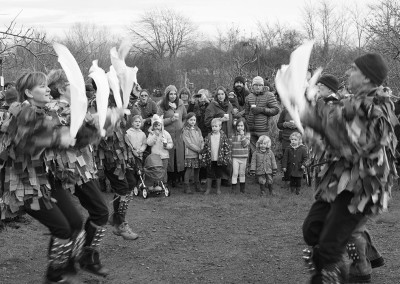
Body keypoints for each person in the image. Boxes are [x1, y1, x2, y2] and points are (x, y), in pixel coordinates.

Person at [301, 53, 398, 283]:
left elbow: (357, 146)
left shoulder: (379, 109)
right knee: (312, 229)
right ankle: (336, 268)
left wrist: (321, 131)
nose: (347, 73)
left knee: (329, 248)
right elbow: (329, 120)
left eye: (353, 69)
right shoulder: (350, 102)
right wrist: (306, 111)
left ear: (366, 78)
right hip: (339, 180)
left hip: (361, 188)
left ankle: (338, 273)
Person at [3, 72, 83, 283]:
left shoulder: (44, 112)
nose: (48, 89)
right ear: (29, 92)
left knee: (75, 222)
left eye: (48, 85)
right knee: (62, 228)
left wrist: (99, 125)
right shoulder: (21, 113)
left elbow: (68, 134)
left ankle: (64, 267)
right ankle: (54, 275)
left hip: (46, 180)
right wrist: (57, 138)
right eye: (42, 86)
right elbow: (26, 145)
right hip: (26, 185)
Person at [158, 85, 187, 188]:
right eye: (171, 94)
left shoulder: (181, 105)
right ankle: (169, 179)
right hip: (168, 135)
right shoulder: (162, 106)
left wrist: (182, 125)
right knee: (169, 157)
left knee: (178, 157)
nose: (173, 96)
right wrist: (171, 120)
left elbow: (185, 117)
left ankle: (178, 178)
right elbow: (159, 121)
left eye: (175, 93)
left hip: (178, 135)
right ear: (167, 94)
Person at [244, 76, 280, 154]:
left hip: (263, 130)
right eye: (255, 85)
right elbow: (246, 112)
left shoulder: (269, 95)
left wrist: (262, 110)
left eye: (260, 85)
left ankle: (266, 166)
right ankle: (254, 166)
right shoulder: (248, 97)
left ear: (263, 86)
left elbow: (276, 110)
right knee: (254, 153)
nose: (258, 87)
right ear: (252, 86)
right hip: (251, 130)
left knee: (264, 152)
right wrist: (248, 121)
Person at [200, 118, 231, 195]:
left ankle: (218, 189)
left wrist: (226, 158)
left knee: (218, 174)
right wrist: (203, 156)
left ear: (220, 127)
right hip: (210, 159)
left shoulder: (223, 137)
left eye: (216, 126)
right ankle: (208, 189)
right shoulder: (208, 136)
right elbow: (205, 147)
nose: (214, 128)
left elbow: (226, 148)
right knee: (209, 174)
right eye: (213, 126)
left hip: (219, 159)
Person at [147, 114, 173, 185]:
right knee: (156, 171)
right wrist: (155, 136)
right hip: (155, 157)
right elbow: (149, 143)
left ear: (161, 126)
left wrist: (166, 146)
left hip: (164, 156)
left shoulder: (166, 134)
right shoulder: (151, 134)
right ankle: (156, 184)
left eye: (158, 125)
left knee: (163, 171)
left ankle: (164, 184)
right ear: (153, 126)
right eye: (155, 126)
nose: (157, 127)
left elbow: (171, 144)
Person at [182, 112, 204, 193]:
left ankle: (197, 185)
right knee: (189, 169)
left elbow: (201, 140)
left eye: (194, 120)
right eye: (191, 120)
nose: (193, 121)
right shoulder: (185, 130)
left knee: (197, 169)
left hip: (198, 153)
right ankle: (186, 186)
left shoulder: (198, 129)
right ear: (187, 120)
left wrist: (202, 148)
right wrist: (198, 150)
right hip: (190, 154)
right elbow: (189, 143)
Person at [231, 117, 250, 194]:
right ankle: (233, 190)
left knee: (242, 173)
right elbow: (230, 145)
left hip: (243, 157)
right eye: (238, 126)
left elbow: (245, 144)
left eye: (241, 126)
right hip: (235, 157)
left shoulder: (247, 135)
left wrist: (242, 136)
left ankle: (242, 189)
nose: (240, 127)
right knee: (235, 173)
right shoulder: (233, 135)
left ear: (245, 126)